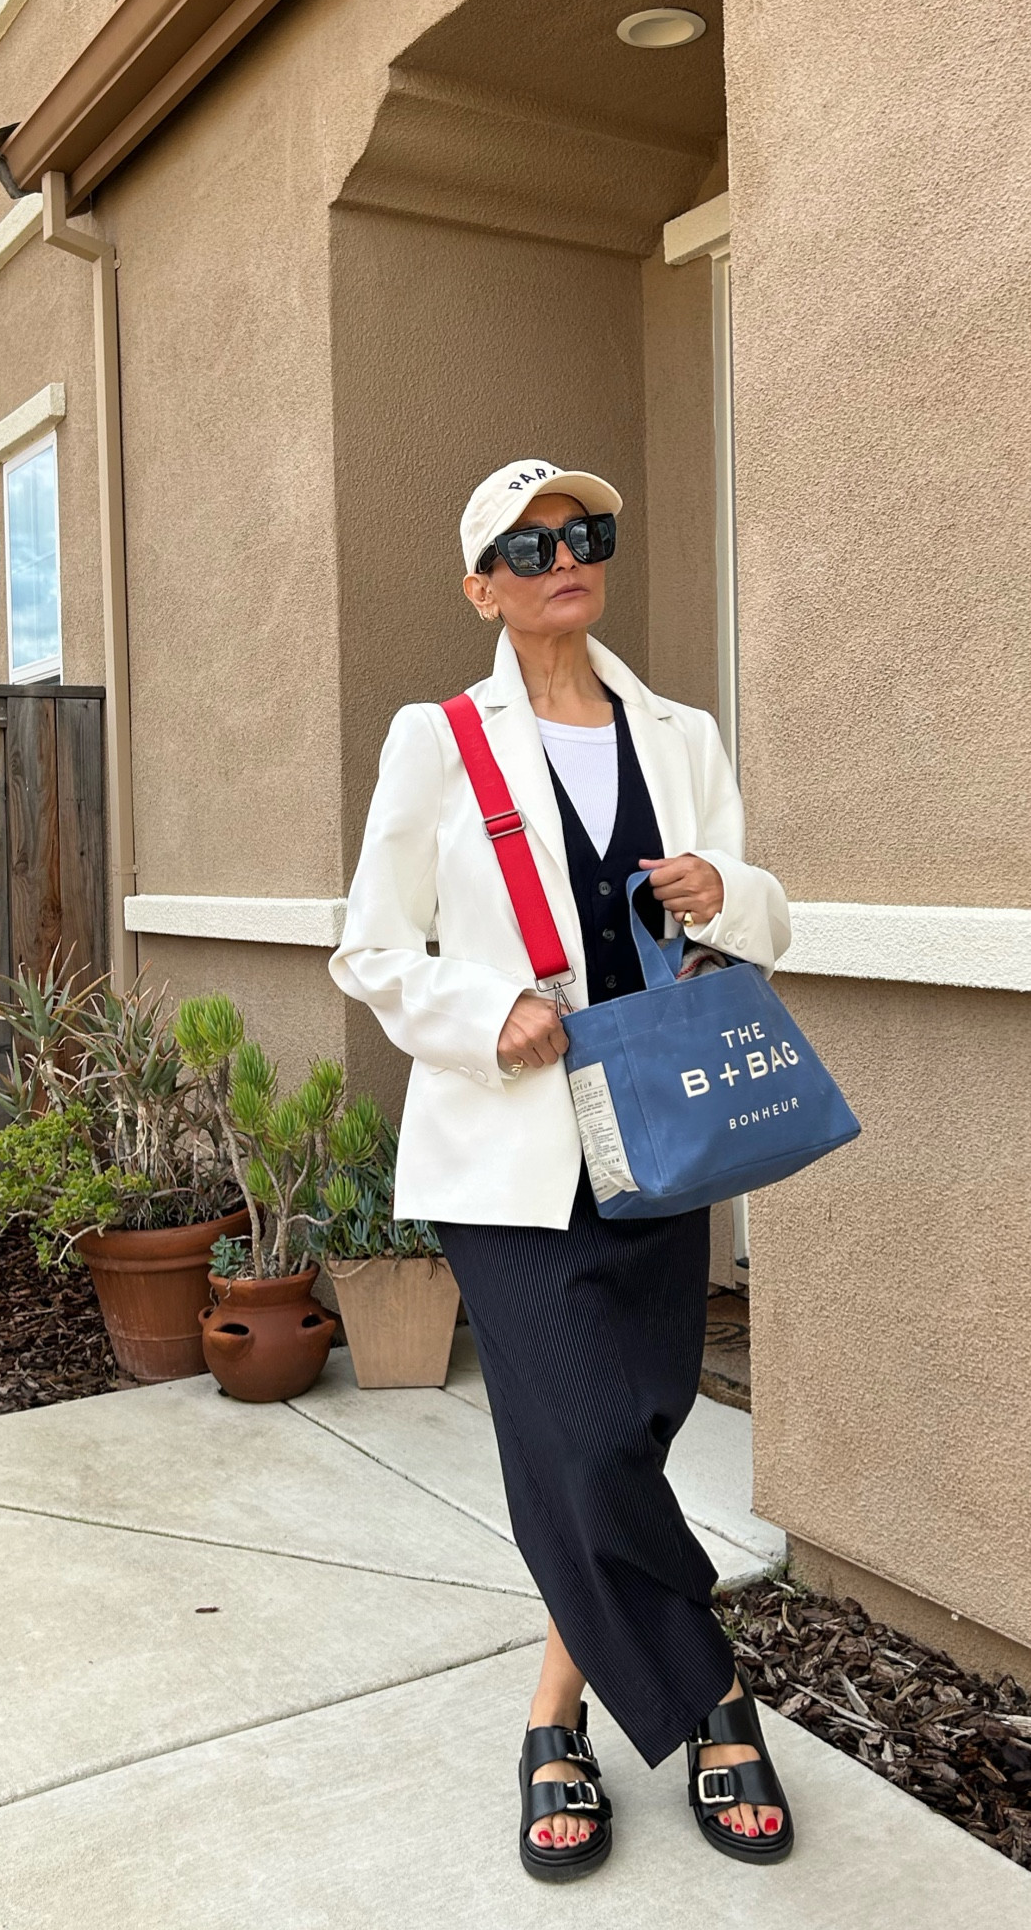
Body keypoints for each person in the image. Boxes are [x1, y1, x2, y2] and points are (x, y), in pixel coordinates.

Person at [330, 457, 796, 1879]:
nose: (561, 560)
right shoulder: (438, 739)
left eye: (584, 535)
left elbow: (764, 916)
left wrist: (736, 897)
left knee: (618, 1446)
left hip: (659, 1131)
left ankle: (555, 1711)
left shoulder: (680, 732)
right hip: (505, 1161)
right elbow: (369, 947)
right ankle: (716, 1698)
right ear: (483, 589)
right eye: (525, 549)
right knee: (586, 1442)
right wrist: (484, 1016)